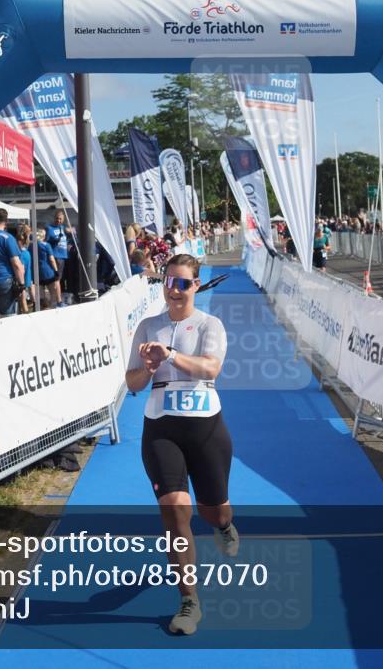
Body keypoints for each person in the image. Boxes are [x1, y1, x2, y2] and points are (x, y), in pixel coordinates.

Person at [124, 253, 237, 636]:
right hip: (161, 429)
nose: (174, 290)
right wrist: (150, 368)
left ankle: (224, 525)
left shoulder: (210, 324)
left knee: (213, 512)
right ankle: (189, 600)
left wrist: (171, 355)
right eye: (168, 282)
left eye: (183, 283)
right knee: (175, 512)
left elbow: (211, 369)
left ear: (197, 286)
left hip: (205, 429)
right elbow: (133, 383)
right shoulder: (147, 326)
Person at [45, 209, 72, 306]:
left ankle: (57, 299)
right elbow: (46, 241)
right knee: (56, 279)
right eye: (57, 218)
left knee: (60, 279)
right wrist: (56, 239)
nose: (58, 220)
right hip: (55, 256)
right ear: (54, 218)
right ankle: (58, 301)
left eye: (60, 219)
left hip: (63, 256)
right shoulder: (49, 228)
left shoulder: (63, 227)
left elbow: (70, 232)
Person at [35, 228, 59, 309]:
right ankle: (52, 307)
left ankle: (42, 308)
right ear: (44, 236)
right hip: (48, 272)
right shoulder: (47, 245)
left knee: (41, 294)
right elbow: (52, 259)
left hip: (37, 273)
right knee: (52, 292)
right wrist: (56, 271)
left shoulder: (31, 245)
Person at [15, 224, 34, 314]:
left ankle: (24, 310)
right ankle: (31, 305)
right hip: (26, 256)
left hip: (22, 258)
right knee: (28, 286)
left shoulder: (18, 242)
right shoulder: (24, 244)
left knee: (21, 293)